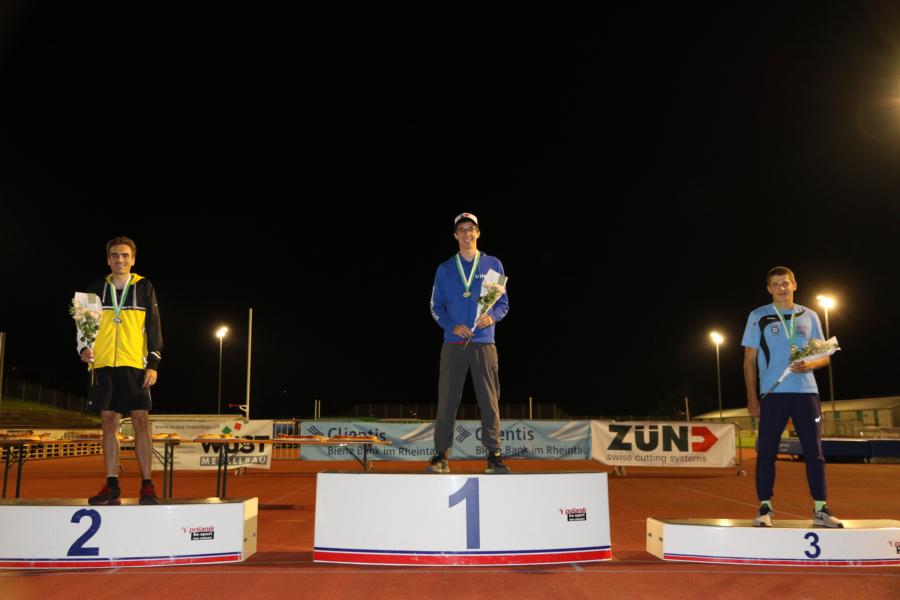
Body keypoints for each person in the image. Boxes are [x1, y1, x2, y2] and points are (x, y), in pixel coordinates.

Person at [741, 266, 841, 527]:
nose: (781, 288)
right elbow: (748, 361)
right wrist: (752, 397)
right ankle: (765, 508)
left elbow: (824, 356)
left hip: (806, 393)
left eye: (785, 283)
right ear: (769, 289)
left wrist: (810, 365)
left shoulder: (810, 315)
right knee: (766, 452)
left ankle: (821, 509)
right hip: (773, 394)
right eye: (775, 284)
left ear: (795, 285)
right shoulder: (758, 316)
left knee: (814, 452)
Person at [78, 236, 163, 505]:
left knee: (141, 422)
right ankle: (112, 484)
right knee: (108, 424)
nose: (120, 260)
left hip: (134, 364)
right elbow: (83, 327)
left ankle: (147, 485)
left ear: (133, 259)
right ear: (108, 259)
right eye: (115, 255)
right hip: (103, 364)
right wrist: (83, 348)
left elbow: (154, 327)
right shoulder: (93, 289)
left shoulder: (144, 286)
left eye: (125, 255)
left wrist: (153, 363)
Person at [427, 212, 510, 474]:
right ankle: (440, 455)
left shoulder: (493, 264)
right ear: (455, 236)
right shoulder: (445, 268)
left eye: (471, 229)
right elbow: (435, 306)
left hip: (484, 341)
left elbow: (503, 303)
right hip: (454, 342)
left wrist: (492, 317)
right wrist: (451, 325)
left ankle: (494, 455)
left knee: (489, 400)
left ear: (478, 233)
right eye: (461, 229)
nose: (466, 233)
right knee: (447, 400)